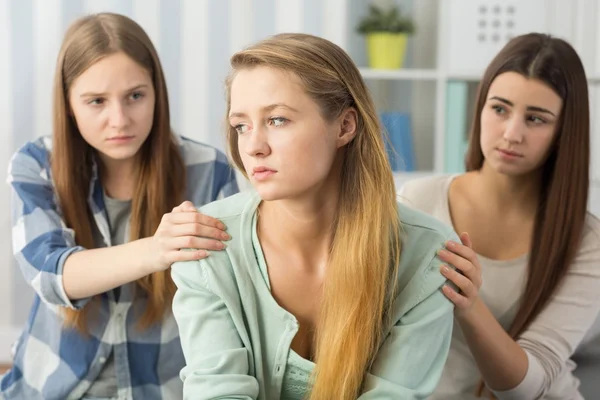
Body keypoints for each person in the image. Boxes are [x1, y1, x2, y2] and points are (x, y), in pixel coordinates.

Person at [170, 32, 460, 400]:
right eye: (241, 126)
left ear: (344, 126)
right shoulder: (208, 243)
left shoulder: (425, 256)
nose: (254, 147)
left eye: (277, 120)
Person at [0, 12, 238, 400]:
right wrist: (156, 250)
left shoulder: (209, 171)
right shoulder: (35, 164)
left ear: (156, 91)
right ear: (69, 104)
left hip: (164, 388)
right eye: (96, 101)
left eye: (135, 96)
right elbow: (50, 275)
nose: (120, 120)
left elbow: (228, 299)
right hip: (49, 385)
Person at [398, 33, 600, 399]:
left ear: (563, 132)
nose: (511, 133)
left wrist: (470, 304)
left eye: (536, 119)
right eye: (499, 109)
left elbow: (529, 387)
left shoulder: (588, 242)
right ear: (480, 108)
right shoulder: (417, 201)